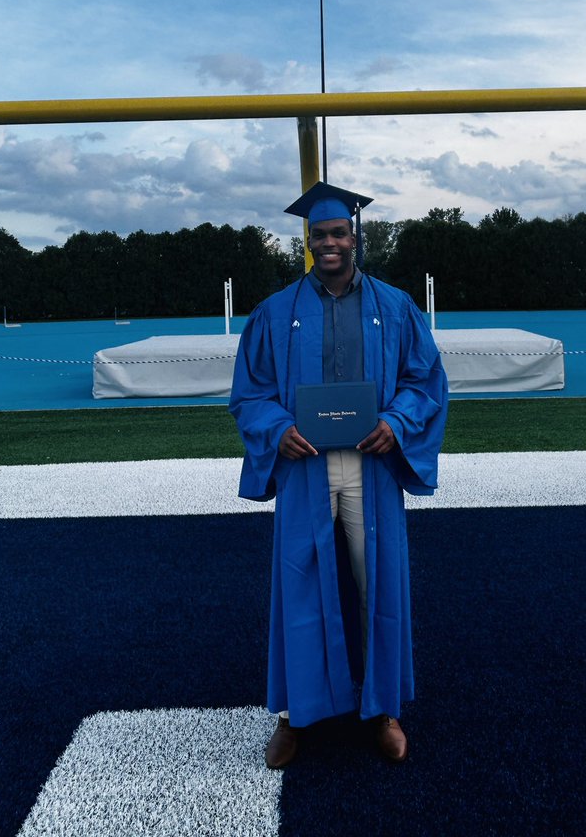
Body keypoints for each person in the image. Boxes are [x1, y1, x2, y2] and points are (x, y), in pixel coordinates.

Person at [230, 181, 448, 769]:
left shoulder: (394, 307)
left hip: (370, 465)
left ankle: (383, 709)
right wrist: (277, 429)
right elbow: (250, 394)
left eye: (338, 233)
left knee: (378, 583)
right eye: (318, 235)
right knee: (299, 583)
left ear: (356, 237)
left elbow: (425, 380)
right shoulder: (275, 313)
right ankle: (294, 715)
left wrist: (397, 422)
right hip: (305, 467)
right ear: (308, 242)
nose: (329, 243)